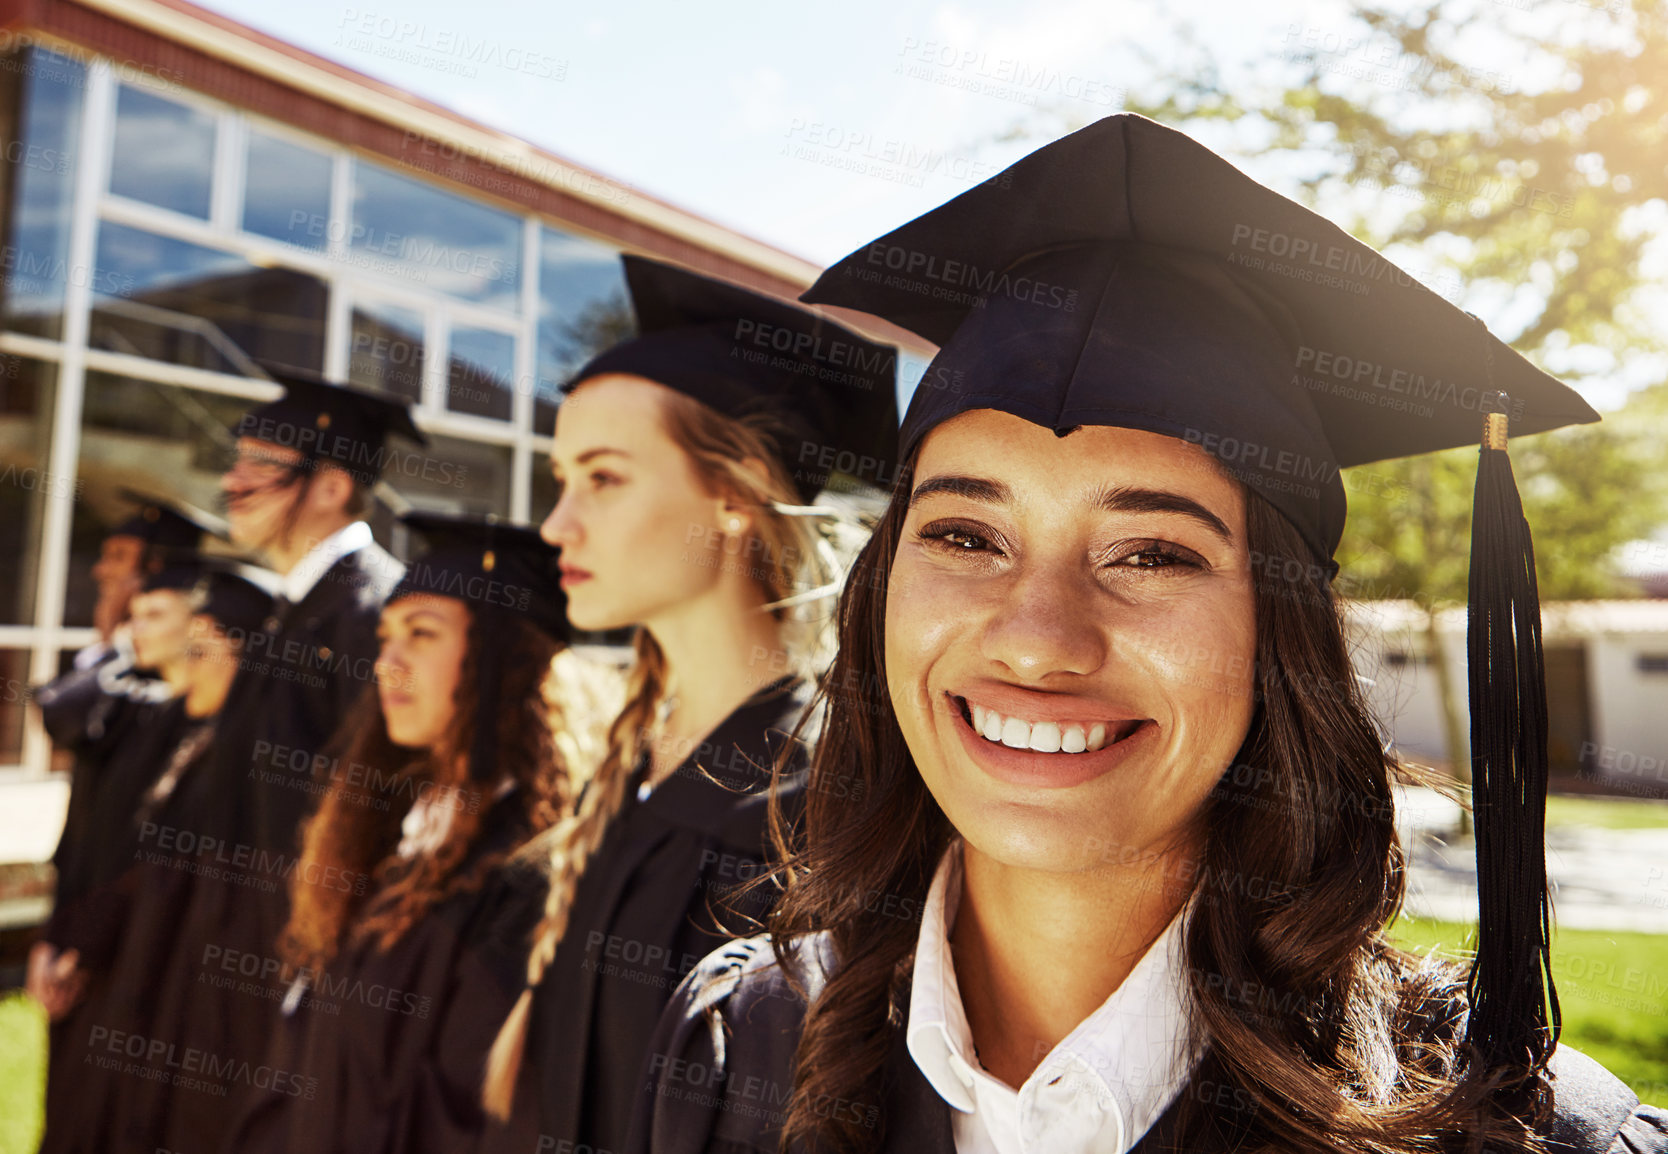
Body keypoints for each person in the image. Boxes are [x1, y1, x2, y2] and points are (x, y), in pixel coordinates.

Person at [630, 114, 1668, 1154]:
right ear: (880, 590)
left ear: (1281, 632)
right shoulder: (738, 1051)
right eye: (962, 533)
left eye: (1153, 554)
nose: (1036, 641)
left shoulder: (1504, 1135)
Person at [478, 255, 899, 1147]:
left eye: (604, 477)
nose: (557, 525)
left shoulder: (819, 799)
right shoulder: (635, 756)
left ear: (735, 496)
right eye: (563, 480)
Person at [112, 367, 424, 1154]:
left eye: (259, 464)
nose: (231, 482)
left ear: (329, 486)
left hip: (297, 968)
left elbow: (382, 814)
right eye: (236, 461)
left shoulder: (373, 614)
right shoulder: (294, 608)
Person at [222, 512, 577, 1154]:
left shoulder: (522, 880)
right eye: (386, 637)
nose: (388, 663)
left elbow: (474, 1123)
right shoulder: (391, 834)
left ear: (502, 659)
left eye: (421, 634)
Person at [39, 559, 277, 1154]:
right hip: (121, 965)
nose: (187, 656)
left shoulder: (244, 759)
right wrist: (76, 939)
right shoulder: (169, 724)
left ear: (235, 651)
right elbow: (122, 854)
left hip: (176, 990)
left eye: (202, 642)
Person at [31, 489, 227, 1012]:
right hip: (84, 904)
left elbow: (63, 711)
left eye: (118, 558)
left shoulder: (156, 700)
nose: (101, 572)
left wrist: (124, 633)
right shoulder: (128, 674)